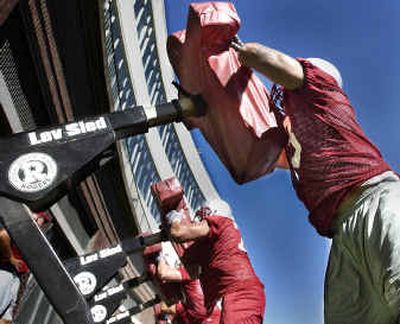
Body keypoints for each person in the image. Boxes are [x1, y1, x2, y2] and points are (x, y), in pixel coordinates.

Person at [230, 40, 400, 323]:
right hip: (341, 229)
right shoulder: (299, 135)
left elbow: (261, 56)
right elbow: (266, 155)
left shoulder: (320, 90)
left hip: (375, 199)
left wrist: (238, 51)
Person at [162, 199, 265, 324]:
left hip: (242, 294)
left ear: (214, 212)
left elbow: (178, 233)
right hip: (236, 293)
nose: (199, 219)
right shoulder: (212, 243)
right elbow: (192, 271)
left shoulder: (221, 222)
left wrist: (174, 219)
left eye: (203, 215)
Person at [0, 226, 25, 324]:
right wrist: (11, 258)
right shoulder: (29, 223)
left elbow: (6, 319)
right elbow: (2, 235)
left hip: (17, 277)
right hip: (6, 271)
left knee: (7, 316)